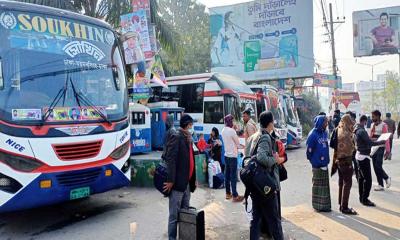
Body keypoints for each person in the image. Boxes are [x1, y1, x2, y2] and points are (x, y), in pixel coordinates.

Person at [246, 111, 284, 240]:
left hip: (255, 182)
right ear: (270, 123)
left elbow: (247, 157)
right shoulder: (265, 137)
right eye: (273, 121)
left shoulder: (254, 136)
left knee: (255, 218)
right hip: (264, 183)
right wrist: (275, 159)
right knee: (274, 219)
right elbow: (262, 157)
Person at [163, 114, 197, 240]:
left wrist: (193, 179)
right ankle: (172, 238)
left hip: (187, 183)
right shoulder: (177, 137)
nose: (192, 128)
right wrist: (171, 180)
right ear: (187, 125)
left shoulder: (188, 138)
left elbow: (191, 160)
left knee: (185, 213)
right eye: (191, 125)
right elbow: (170, 159)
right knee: (174, 216)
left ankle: (184, 236)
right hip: (177, 184)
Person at [354, 115, 386, 207]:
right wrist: (381, 142)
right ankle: (365, 199)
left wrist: (374, 139)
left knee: (361, 178)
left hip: (359, 155)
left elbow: (366, 140)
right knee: (368, 180)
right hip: (364, 157)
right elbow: (370, 143)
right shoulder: (362, 131)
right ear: (364, 121)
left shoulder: (356, 129)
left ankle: (361, 197)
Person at [333, 114, 357, 215]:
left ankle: (341, 204)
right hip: (346, 161)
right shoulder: (347, 134)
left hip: (338, 161)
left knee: (341, 182)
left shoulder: (338, 130)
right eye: (350, 120)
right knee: (348, 183)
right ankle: (345, 207)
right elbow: (351, 149)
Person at [306, 115, 331, 212]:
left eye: (327, 122)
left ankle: (325, 206)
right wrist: (314, 161)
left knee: (324, 188)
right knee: (318, 187)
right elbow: (309, 151)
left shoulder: (325, 133)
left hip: (324, 164)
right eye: (325, 122)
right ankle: (318, 206)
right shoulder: (313, 134)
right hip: (317, 165)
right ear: (320, 122)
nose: (326, 124)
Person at [221, 114, 244, 202]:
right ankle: (235, 195)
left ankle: (228, 194)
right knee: (233, 176)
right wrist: (244, 147)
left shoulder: (223, 130)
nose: (234, 122)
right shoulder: (232, 131)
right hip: (233, 156)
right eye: (233, 120)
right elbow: (238, 144)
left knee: (227, 175)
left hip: (226, 155)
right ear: (230, 121)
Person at [370, 110, 391, 191]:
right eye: (372, 117)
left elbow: (386, 139)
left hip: (381, 148)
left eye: (373, 117)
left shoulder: (383, 125)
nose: (372, 118)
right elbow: (370, 136)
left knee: (378, 165)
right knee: (375, 167)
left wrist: (388, 151)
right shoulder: (372, 125)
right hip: (373, 148)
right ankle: (380, 185)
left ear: (378, 116)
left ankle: (386, 177)